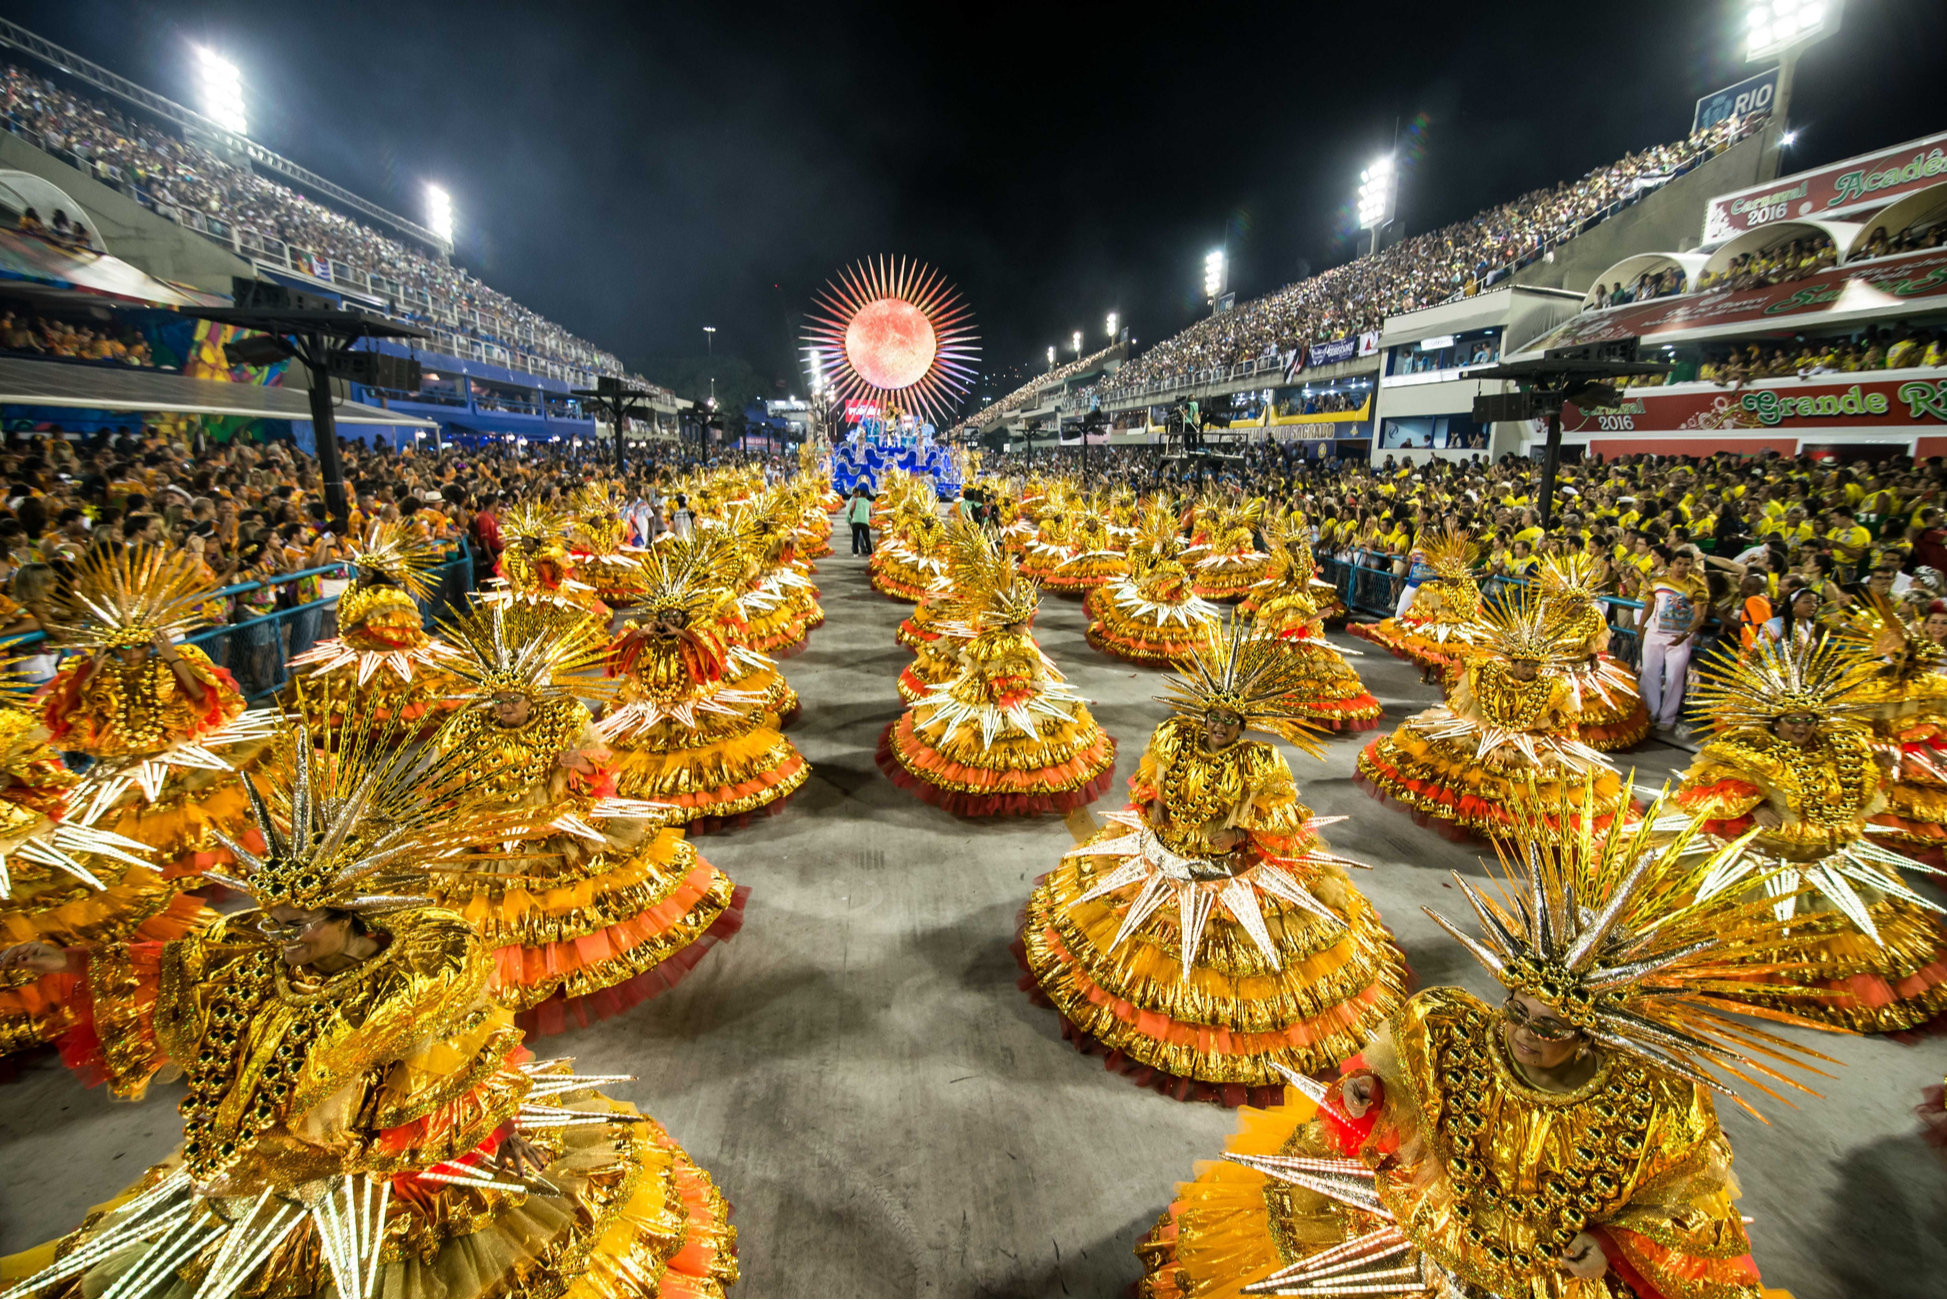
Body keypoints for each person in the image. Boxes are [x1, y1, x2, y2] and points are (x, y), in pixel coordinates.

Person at [0, 709, 738, 1298]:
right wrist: (66, 962)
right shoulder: (259, 954)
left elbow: (471, 1058)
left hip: (408, 1169)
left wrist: (501, 1126)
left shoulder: (426, 971)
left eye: (297, 926)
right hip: (276, 1165)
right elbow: (177, 971)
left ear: (350, 917)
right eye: (273, 922)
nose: (279, 939)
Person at [1135, 785, 1831, 1300]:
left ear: (1594, 1033)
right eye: (1518, 1013)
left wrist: (1616, 1246)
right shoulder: (1449, 1028)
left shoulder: (1651, 1101)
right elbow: (1390, 1081)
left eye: (1551, 1028)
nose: (1525, 1036)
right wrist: (1365, 1092)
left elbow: (1686, 1200)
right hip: (1429, 1225)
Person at [1017, 619, 1407, 1104]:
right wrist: (1152, 800)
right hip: (1165, 853)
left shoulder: (1258, 763)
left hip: (1228, 870)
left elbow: (1281, 816)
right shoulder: (1174, 739)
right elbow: (1149, 778)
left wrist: (1244, 832)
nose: (1219, 726)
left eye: (1230, 720)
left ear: (1243, 725)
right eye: (1213, 716)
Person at [427, 599, 747, 1035]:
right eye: (497, 700)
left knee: (578, 891)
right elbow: (443, 780)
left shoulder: (564, 717)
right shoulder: (466, 729)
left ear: (532, 695)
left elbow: (601, 762)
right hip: (494, 830)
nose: (503, 708)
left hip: (562, 820)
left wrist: (579, 762)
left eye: (512, 699)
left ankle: (575, 964)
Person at [1674, 632, 1947, 1031]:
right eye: (1792, 720)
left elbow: (1862, 797)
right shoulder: (1749, 749)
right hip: (1765, 857)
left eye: (1809, 720)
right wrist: (1756, 808)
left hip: (1826, 855)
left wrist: (1886, 767)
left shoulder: (1843, 751)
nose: (1801, 728)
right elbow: (1707, 787)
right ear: (1774, 721)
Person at [877, 525, 1115, 816]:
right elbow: (993, 668)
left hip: (1011, 696)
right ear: (1010, 623)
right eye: (1022, 623)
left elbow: (1009, 669)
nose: (1026, 625)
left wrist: (1028, 684)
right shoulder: (1001, 644)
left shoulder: (1006, 644)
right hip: (991, 698)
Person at [1357, 584, 1627, 840]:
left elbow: (1562, 722)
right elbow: (1473, 708)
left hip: (1530, 741)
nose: (1529, 671)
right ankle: (1473, 818)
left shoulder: (1554, 688)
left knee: (1531, 784)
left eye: (1534, 666)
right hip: (1489, 734)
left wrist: (1546, 735)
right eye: (1524, 665)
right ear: (1513, 661)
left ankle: (1502, 824)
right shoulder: (1489, 675)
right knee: (1470, 771)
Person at [1636, 544, 1708, 734]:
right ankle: (1649, 713)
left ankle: (1667, 718)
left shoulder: (1698, 586)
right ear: (1673, 563)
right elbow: (1650, 603)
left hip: (1679, 637)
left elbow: (1700, 616)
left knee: (1674, 677)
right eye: (1679, 563)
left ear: (1692, 565)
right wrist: (1641, 625)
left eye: (1686, 564)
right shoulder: (1659, 581)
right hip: (1655, 633)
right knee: (1649, 674)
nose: (1682, 567)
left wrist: (1685, 635)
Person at [847, 483, 873, 554]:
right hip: (865, 522)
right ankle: (870, 552)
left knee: (855, 538)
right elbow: (871, 514)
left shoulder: (855, 501)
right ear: (866, 495)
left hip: (856, 521)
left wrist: (852, 516)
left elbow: (851, 510)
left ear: (860, 494)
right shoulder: (868, 503)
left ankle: (855, 553)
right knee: (867, 538)